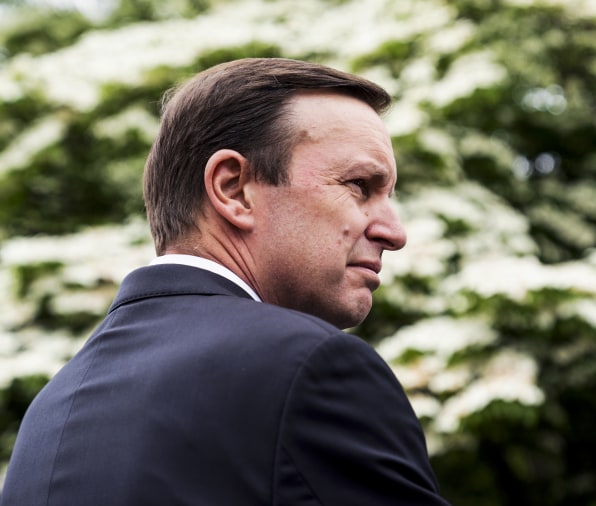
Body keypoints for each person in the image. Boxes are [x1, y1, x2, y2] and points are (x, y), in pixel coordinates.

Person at [0, 58, 449, 505]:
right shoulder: (311, 367)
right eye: (359, 185)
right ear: (234, 190)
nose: (395, 232)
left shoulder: (49, 413)